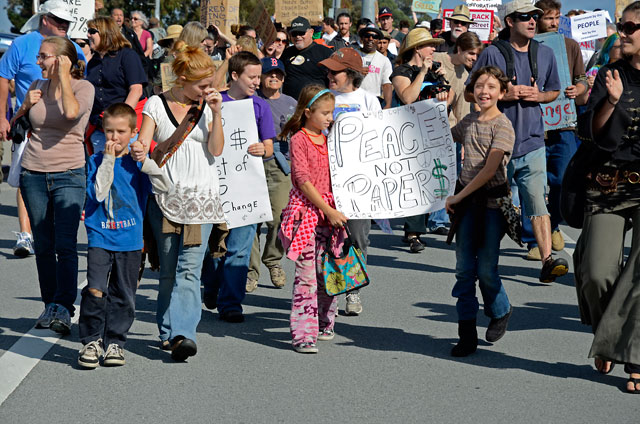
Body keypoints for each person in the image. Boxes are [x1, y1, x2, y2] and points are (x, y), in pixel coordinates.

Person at [469, 0, 568, 283]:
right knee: (493, 206)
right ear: (510, 21)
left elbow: (554, 91)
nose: (533, 21)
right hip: (497, 144)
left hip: (534, 141)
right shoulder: (491, 53)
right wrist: (504, 94)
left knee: (538, 202)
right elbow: (468, 94)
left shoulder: (546, 53)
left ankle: (547, 260)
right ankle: (485, 262)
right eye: (526, 16)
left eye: (535, 16)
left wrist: (540, 96)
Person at [140, 41, 225, 361]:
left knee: (190, 270)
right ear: (182, 79)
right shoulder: (155, 104)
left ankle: (183, 334)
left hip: (202, 199)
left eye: (210, 84)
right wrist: (138, 148)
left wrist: (216, 113)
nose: (208, 90)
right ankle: (166, 330)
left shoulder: (209, 107)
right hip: (165, 198)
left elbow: (216, 150)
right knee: (168, 271)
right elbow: (143, 143)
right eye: (202, 85)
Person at [572, 0, 640, 394]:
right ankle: (606, 334)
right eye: (621, 26)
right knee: (597, 272)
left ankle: (634, 356)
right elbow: (599, 133)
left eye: (631, 27)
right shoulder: (610, 73)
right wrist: (611, 101)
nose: (623, 32)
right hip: (609, 183)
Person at [77, 103, 170, 369]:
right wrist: (107, 160)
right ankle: (92, 341)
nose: (113, 138)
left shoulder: (136, 165)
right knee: (95, 289)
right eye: (108, 131)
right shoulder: (95, 161)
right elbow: (99, 193)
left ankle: (115, 341)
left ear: (133, 133)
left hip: (130, 240)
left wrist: (145, 161)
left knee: (124, 293)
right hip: (100, 237)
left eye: (120, 132)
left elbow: (164, 185)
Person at [18, 36, 94, 333]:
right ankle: (50, 304)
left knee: (65, 243)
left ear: (62, 59)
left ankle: (64, 306)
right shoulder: (37, 86)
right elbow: (18, 124)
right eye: (39, 57)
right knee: (44, 245)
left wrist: (63, 76)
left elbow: (71, 114)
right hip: (33, 173)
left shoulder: (83, 87)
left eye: (44, 57)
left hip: (68, 173)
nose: (39, 62)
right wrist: (24, 105)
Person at [0, 0, 85, 258]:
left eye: (67, 22)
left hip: (63, 125)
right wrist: (3, 117)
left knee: (59, 178)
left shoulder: (72, 48)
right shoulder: (22, 44)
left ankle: (53, 231)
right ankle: (26, 235)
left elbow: (81, 79)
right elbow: (4, 78)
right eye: (59, 21)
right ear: (44, 18)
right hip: (30, 123)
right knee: (27, 179)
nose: (65, 25)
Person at [445, 66, 515, 357]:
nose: (484, 92)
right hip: (466, 208)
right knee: (464, 271)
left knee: (486, 268)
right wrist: (434, 110)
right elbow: (442, 139)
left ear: (502, 92)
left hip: (492, 206)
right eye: (479, 86)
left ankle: (500, 309)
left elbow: (490, 169)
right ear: (471, 91)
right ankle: (466, 333)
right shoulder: (468, 121)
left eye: (491, 87)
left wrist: (458, 194)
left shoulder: (503, 126)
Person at [201, 51, 275, 323]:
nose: (258, 82)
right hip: (211, 185)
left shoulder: (260, 106)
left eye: (259, 76)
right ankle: (212, 285)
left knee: (240, 248)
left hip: (245, 188)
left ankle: (231, 303)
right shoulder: (213, 101)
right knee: (209, 247)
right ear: (234, 76)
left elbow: (269, 147)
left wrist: (262, 149)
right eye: (252, 77)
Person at [278, 85, 347, 353]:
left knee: (329, 270)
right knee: (306, 277)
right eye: (325, 113)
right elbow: (302, 180)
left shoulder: (332, 139)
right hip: (306, 214)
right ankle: (304, 334)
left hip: (332, 216)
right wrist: (327, 209)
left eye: (332, 113)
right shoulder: (299, 139)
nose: (330, 117)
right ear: (308, 113)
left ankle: (325, 321)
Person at [519, 0, 589, 261]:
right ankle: (533, 239)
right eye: (548, 18)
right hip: (533, 123)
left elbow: (581, 78)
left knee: (562, 178)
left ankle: (553, 223)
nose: (553, 23)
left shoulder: (569, 46)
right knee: (532, 183)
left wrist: (579, 89)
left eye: (557, 18)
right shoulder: (526, 46)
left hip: (564, 124)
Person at [320, 47, 381, 316]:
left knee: (356, 236)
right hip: (326, 178)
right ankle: (324, 291)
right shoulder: (322, 99)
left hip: (359, 181)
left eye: (336, 71)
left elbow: (380, 140)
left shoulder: (369, 100)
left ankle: (352, 290)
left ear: (352, 74)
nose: (330, 75)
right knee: (324, 237)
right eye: (329, 70)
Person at [390, 28, 448, 253]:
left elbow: (447, 98)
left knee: (428, 184)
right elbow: (408, 97)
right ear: (417, 49)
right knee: (415, 184)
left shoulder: (435, 71)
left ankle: (415, 229)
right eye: (429, 45)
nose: (434, 49)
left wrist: (442, 85)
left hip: (431, 133)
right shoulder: (401, 72)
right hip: (408, 135)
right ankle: (413, 233)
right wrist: (423, 73)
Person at [246, 57, 297, 293]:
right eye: (268, 74)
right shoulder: (249, 102)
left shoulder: (291, 103)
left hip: (281, 165)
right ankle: (250, 270)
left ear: (283, 78)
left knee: (279, 218)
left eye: (278, 74)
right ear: (260, 78)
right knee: (252, 220)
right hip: (252, 164)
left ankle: (273, 259)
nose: (273, 77)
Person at [430, 31, 484, 235]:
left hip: (450, 130)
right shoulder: (437, 59)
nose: (474, 58)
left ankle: (439, 220)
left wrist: (462, 139)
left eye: (477, 55)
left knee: (447, 175)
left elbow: (462, 111)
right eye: (471, 53)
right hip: (426, 125)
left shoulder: (468, 75)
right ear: (459, 49)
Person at [86, 17, 147, 154]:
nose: (88, 35)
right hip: (101, 128)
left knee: (127, 171)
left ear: (106, 32)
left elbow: (136, 90)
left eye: (92, 31)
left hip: (126, 129)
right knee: (101, 171)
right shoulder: (92, 62)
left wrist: (121, 120)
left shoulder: (127, 55)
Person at [281, 16, 332, 100]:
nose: (298, 36)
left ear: (311, 32)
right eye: (294, 33)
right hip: (291, 107)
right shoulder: (286, 53)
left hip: (316, 106)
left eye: (301, 33)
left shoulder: (325, 53)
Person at [357, 24, 393, 108]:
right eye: (367, 36)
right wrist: (356, 71)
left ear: (378, 40)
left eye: (374, 36)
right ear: (362, 38)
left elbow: (387, 84)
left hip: (375, 101)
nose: (370, 39)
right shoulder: (353, 55)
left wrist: (388, 104)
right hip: (355, 99)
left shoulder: (384, 60)